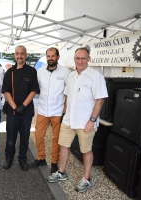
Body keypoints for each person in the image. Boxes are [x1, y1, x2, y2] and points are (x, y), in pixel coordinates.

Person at [47, 47, 108, 193]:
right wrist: (64, 113)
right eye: (77, 58)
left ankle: (86, 179)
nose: (80, 61)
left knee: (86, 150)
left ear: (88, 59)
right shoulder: (71, 76)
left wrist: (92, 120)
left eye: (83, 58)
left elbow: (100, 100)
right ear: (74, 59)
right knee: (63, 146)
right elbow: (67, 95)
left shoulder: (96, 76)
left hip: (85, 122)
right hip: (68, 120)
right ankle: (61, 172)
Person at [30, 47, 70, 174]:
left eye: (53, 56)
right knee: (38, 135)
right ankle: (41, 157)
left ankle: (54, 162)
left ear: (58, 57)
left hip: (58, 110)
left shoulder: (66, 72)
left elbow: (68, 93)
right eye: (48, 56)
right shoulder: (40, 71)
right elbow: (35, 89)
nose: (50, 58)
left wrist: (65, 110)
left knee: (56, 138)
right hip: (42, 109)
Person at [2, 45, 39, 171]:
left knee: (25, 136)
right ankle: (9, 158)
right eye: (17, 53)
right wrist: (14, 106)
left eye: (22, 53)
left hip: (27, 110)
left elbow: (34, 90)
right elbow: (6, 91)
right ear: (14, 55)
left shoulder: (32, 71)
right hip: (12, 111)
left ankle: (22, 159)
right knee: (11, 136)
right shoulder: (9, 72)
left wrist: (23, 105)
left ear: (26, 55)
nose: (20, 56)